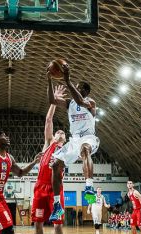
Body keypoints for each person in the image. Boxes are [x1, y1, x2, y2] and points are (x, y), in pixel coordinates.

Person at [48, 63, 99, 221]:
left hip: (88, 136)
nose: (76, 89)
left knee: (85, 149)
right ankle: (57, 206)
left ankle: (89, 188)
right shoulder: (70, 103)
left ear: (85, 91)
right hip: (74, 139)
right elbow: (51, 99)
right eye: (75, 87)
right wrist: (48, 79)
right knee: (55, 164)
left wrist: (68, 81)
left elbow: (80, 100)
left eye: (79, 88)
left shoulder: (90, 103)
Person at [29, 81, 67, 234]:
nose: (60, 132)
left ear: (65, 139)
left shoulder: (67, 150)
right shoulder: (47, 145)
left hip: (56, 190)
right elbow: (48, 120)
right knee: (37, 223)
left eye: (63, 132)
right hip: (39, 188)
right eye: (58, 132)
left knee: (58, 224)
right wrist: (54, 101)